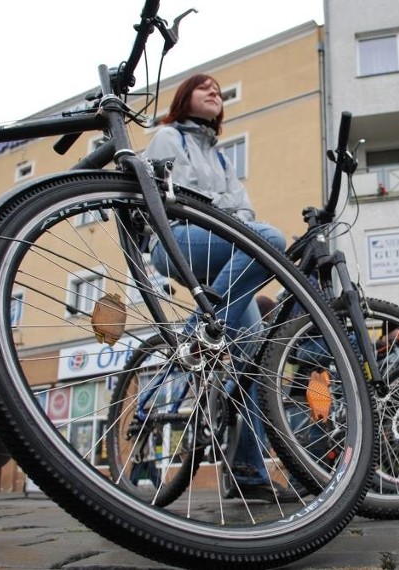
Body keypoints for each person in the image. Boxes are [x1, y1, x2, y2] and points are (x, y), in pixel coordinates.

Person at [142, 73, 294, 502]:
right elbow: (153, 195)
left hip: (221, 254)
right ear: (183, 97)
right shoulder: (170, 138)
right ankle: (198, 335)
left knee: (254, 354)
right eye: (205, 87)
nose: (216, 93)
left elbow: (245, 212)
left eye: (220, 91)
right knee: (270, 240)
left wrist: (240, 226)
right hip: (178, 241)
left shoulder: (223, 161)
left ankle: (247, 474)